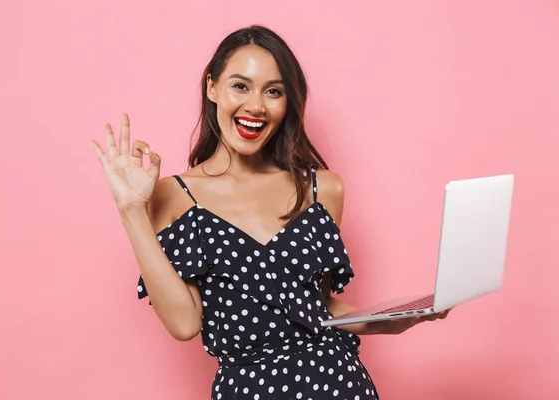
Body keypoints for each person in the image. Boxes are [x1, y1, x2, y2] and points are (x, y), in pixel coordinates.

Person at [91, 25, 450, 400]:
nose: (256, 106)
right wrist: (131, 208)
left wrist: (386, 323)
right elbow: (184, 324)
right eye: (240, 86)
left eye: (273, 91)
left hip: (339, 383)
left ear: (287, 102)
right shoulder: (173, 195)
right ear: (212, 87)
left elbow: (315, 304)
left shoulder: (321, 188)